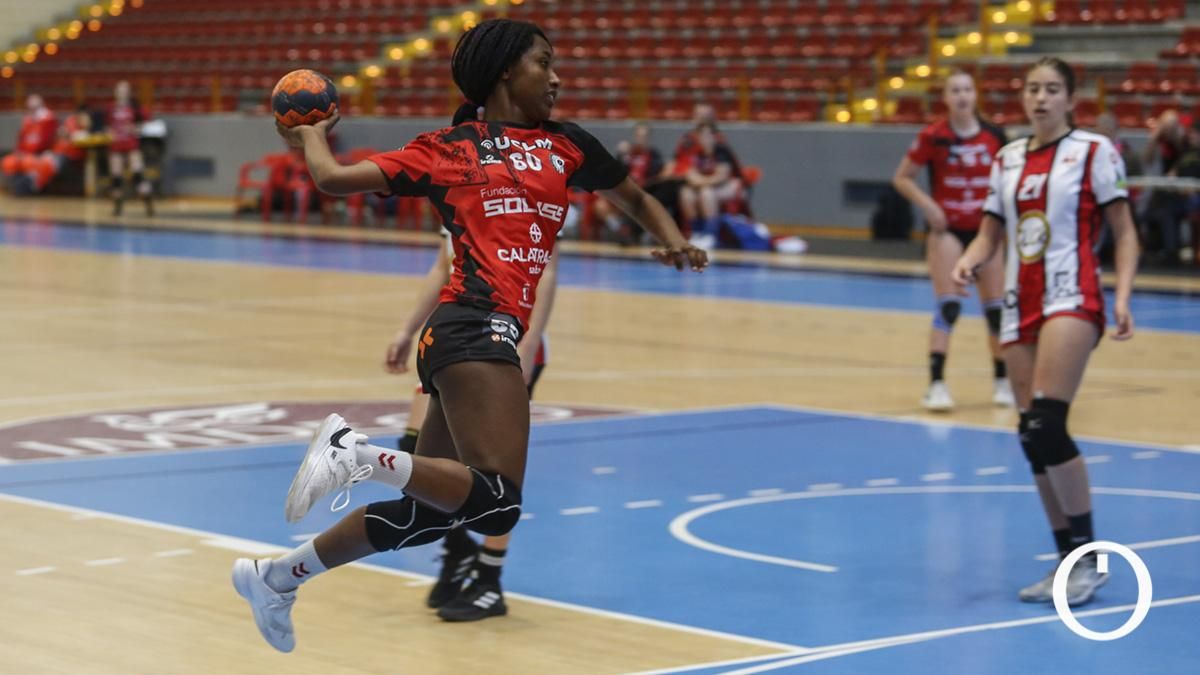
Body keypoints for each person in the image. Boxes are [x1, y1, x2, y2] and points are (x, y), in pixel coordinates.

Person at [231, 18, 707, 653]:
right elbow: (334, 179)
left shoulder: (568, 145)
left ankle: (277, 578)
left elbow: (636, 198)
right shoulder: (447, 148)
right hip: (472, 328)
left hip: (463, 338)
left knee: (428, 515)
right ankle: (357, 455)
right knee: (497, 504)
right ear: (507, 70)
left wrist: (671, 241)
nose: (558, 76)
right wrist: (312, 137)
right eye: (546, 62)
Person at [952, 57, 1138, 607]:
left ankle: (1089, 558)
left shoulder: (1094, 152)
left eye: (1052, 89)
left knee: (1047, 422)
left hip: (1071, 294)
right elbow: (990, 234)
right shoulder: (1006, 158)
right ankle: (1067, 563)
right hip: (1018, 300)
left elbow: (1124, 232)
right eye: (1033, 88)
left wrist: (1123, 294)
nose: (1041, 98)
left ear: (1070, 99)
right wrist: (969, 258)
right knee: (1031, 436)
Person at [385, 229, 557, 621]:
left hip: (499, 342)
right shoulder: (453, 184)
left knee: (498, 473)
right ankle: (458, 547)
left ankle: (489, 578)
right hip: (451, 338)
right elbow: (441, 266)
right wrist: (407, 330)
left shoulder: (525, 185)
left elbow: (546, 270)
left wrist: (527, 347)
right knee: (415, 454)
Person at [892, 69, 1013, 412]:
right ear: (945, 98)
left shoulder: (994, 135)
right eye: (955, 90)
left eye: (967, 90)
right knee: (949, 305)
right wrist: (929, 207)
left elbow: (1010, 177)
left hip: (986, 231)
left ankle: (1002, 380)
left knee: (995, 310)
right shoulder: (934, 136)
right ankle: (936, 384)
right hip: (948, 231)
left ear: (976, 96)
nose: (961, 96)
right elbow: (902, 178)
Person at [593, 121, 668, 244]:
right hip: (623, 192)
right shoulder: (627, 153)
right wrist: (621, 155)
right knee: (600, 206)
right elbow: (614, 170)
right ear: (635, 136)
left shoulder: (654, 155)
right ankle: (621, 231)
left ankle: (645, 233)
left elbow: (657, 178)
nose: (641, 139)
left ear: (648, 138)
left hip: (643, 194)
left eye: (644, 136)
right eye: (638, 136)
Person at [680, 123, 743, 246]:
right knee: (686, 193)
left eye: (707, 135)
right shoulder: (697, 153)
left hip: (732, 186)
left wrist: (701, 182)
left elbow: (721, 177)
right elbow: (689, 175)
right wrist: (700, 181)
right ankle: (696, 232)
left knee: (706, 193)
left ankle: (711, 234)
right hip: (709, 186)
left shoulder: (721, 151)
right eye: (701, 136)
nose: (704, 139)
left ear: (714, 137)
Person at [105, 80, 154, 217]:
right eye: (119, 89)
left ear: (128, 92)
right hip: (116, 146)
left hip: (132, 145)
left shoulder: (135, 107)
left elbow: (147, 123)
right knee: (116, 176)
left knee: (137, 174)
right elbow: (107, 125)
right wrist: (109, 133)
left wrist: (136, 128)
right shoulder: (111, 108)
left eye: (124, 89)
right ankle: (117, 207)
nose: (121, 92)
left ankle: (148, 203)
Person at [1, 94, 58, 194]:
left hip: (42, 154)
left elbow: (46, 141)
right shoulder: (27, 121)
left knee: (40, 165)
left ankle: (32, 187)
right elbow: (22, 140)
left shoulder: (48, 119)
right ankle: (16, 186)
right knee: (8, 162)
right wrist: (19, 152)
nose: (32, 110)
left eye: (35, 108)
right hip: (26, 155)